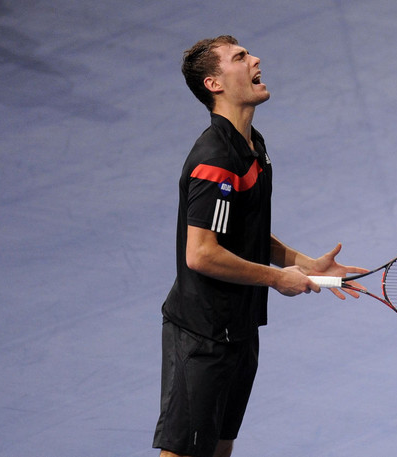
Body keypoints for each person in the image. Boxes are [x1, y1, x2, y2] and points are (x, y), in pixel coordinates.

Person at [152, 35, 366, 457]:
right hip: (203, 334)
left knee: (220, 446)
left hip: (240, 328)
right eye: (240, 57)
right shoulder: (215, 159)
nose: (255, 59)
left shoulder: (253, 147)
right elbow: (202, 253)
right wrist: (277, 279)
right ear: (214, 84)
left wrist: (308, 264)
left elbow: (243, 231)